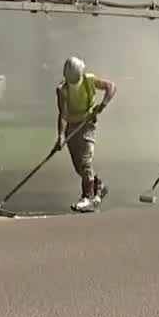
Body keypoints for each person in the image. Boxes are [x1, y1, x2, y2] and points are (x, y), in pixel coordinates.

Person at [55, 56, 117, 212]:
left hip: (88, 124)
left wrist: (103, 104)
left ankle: (87, 197)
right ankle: (99, 186)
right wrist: (61, 135)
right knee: (79, 167)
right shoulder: (62, 89)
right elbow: (63, 114)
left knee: (85, 161)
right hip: (72, 127)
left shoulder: (89, 80)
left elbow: (111, 86)